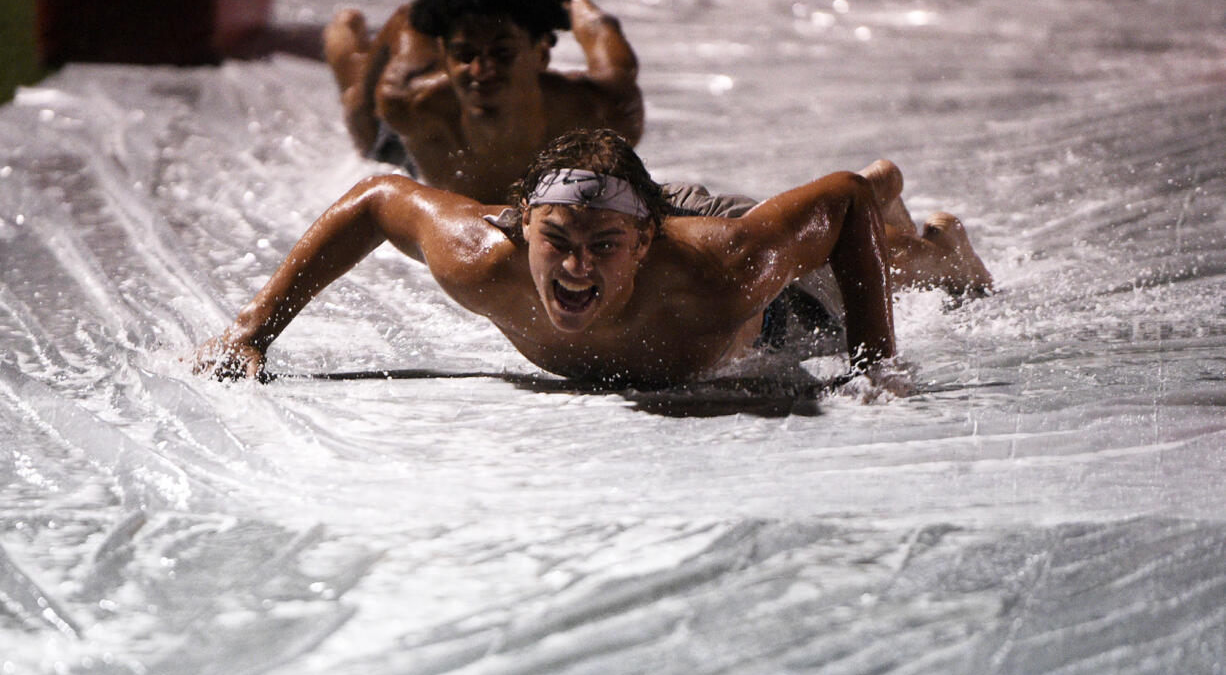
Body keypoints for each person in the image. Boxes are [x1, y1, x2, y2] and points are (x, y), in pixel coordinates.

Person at [194, 129, 991, 388]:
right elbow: (376, 198)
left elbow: (839, 198)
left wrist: (876, 363)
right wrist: (252, 330)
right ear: (520, 230)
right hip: (631, 204)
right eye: (557, 245)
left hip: (732, 250)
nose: (574, 269)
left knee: (891, 265)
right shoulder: (482, 256)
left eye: (601, 250)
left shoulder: (725, 269)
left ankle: (934, 240)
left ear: (642, 245)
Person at [323, 0, 643, 204]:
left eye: (503, 54)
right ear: (444, 57)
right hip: (412, 106)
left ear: (541, 54)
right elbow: (409, 23)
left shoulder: (602, 111)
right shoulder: (409, 104)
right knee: (362, 126)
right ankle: (343, 36)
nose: (482, 70)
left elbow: (605, 40)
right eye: (464, 55)